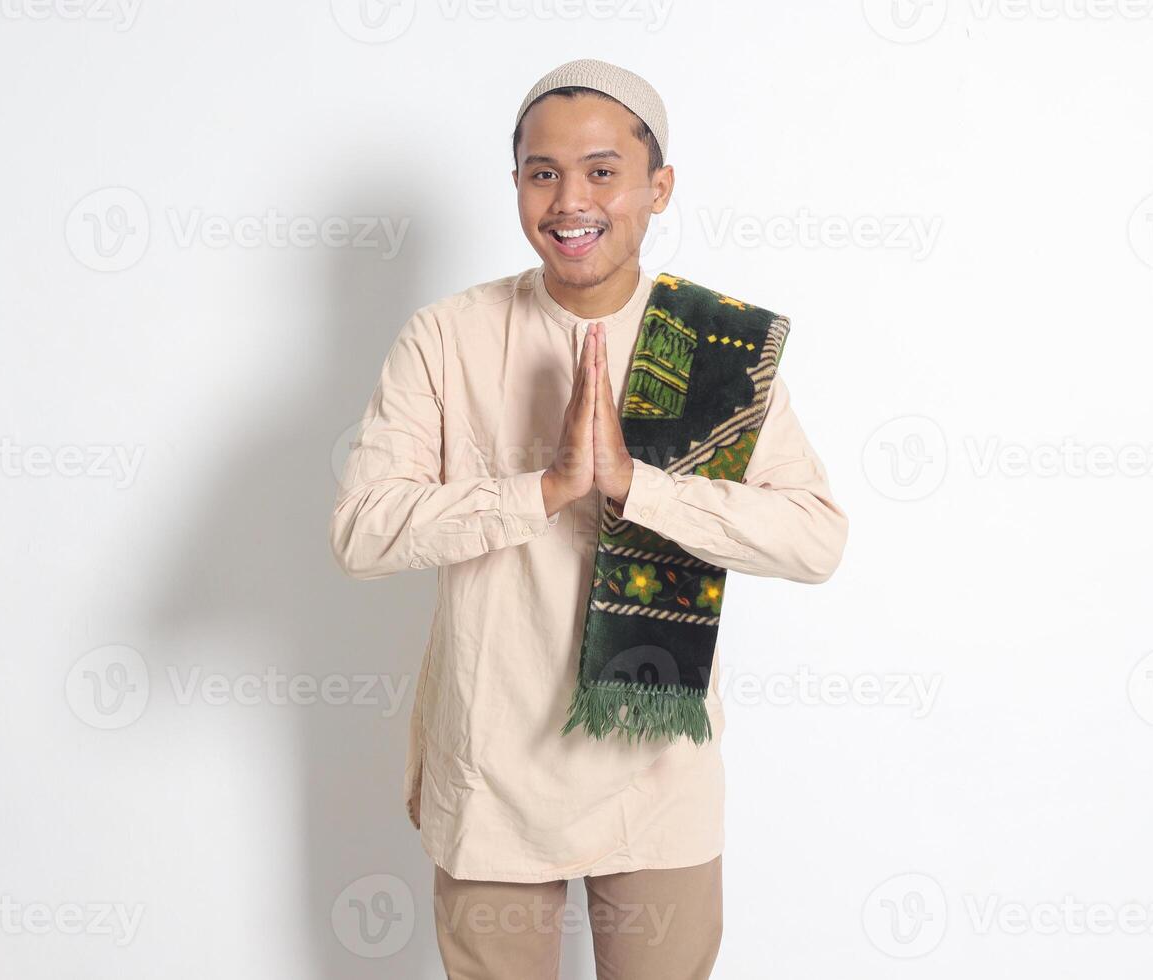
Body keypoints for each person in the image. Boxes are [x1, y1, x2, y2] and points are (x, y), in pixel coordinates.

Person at [329, 57, 849, 979]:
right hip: (491, 777)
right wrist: (545, 488)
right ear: (519, 186)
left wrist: (635, 485)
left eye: (603, 171)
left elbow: (816, 539)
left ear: (659, 188)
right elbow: (363, 532)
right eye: (542, 173)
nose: (571, 199)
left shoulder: (717, 347)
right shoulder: (446, 337)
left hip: (657, 778)